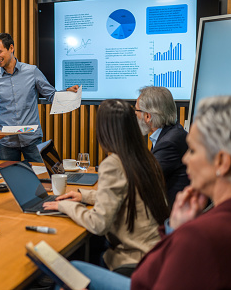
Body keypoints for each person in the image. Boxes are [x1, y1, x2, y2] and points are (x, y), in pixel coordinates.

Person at [66, 96, 231, 290]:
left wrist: (179, 234)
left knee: (69, 271)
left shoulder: (201, 237)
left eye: (193, 150)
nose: (185, 159)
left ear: (222, 162)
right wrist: (175, 231)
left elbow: (148, 277)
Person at [43, 99, 169, 271]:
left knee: (66, 270)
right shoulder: (145, 157)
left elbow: (98, 224)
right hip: (156, 255)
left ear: (105, 130)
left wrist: (64, 206)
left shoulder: (113, 164)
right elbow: (128, 193)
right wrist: (84, 196)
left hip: (133, 264)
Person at [0, 32, 78, 162]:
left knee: (41, 178)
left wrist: (67, 92)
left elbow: (51, 95)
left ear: (11, 48)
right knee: (11, 180)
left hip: (32, 140)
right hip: (7, 144)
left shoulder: (32, 71)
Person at [136, 86, 189, 207]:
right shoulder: (172, 133)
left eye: (137, 110)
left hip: (171, 217)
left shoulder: (169, 143)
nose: (135, 113)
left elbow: (144, 182)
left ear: (148, 117)